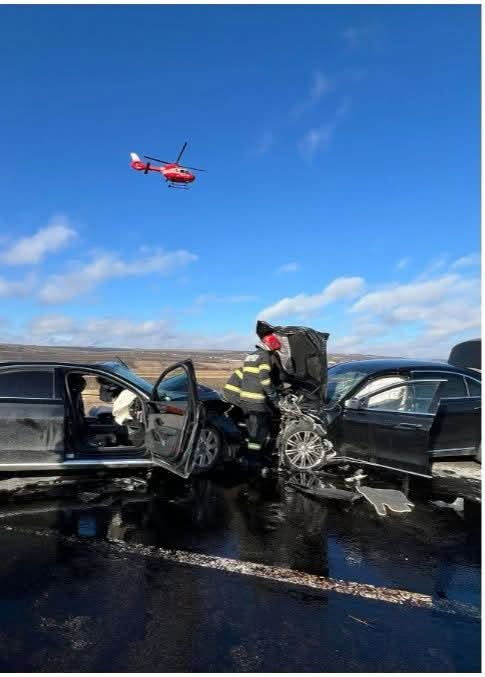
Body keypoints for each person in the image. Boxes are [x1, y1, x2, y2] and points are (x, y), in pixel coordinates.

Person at [223, 333, 282, 455]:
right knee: (260, 430)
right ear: (271, 346)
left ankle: (247, 455)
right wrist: (273, 395)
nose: (274, 354)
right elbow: (264, 379)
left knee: (251, 430)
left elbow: (250, 378)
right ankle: (254, 458)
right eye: (274, 351)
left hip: (245, 400)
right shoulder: (265, 356)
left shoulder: (251, 356)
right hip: (257, 401)